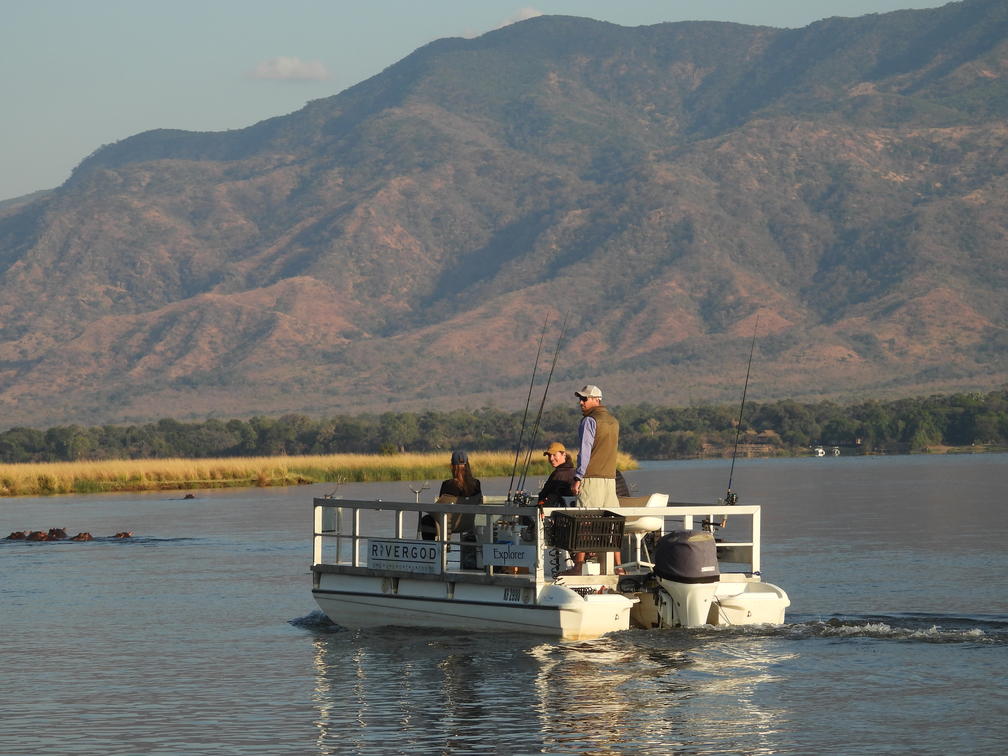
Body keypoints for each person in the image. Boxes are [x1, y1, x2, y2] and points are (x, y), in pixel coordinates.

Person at [563, 384, 623, 575]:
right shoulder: (614, 421)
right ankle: (619, 567)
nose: (581, 403)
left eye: (584, 399)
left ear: (597, 400)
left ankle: (578, 567)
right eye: (580, 399)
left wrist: (578, 477)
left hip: (591, 478)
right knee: (611, 523)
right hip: (610, 479)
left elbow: (585, 452)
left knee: (584, 521)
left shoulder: (589, 421)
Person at [420, 450, 482, 569]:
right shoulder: (477, 484)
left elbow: (440, 507)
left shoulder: (447, 485)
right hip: (468, 524)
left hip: (447, 526)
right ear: (467, 465)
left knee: (426, 520)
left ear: (452, 466)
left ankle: (431, 558)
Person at [537, 441, 576, 508]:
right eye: (549, 455)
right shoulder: (574, 472)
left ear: (564, 455)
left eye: (554, 455)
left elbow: (544, 494)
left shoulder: (559, 474)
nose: (551, 458)